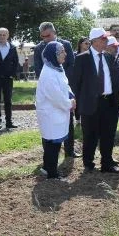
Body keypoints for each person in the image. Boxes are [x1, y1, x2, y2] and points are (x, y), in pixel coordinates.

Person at [70, 27, 119, 174]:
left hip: (109, 102)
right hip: (90, 104)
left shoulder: (108, 57)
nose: (107, 40)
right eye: (104, 38)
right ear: (94, 41)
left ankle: (107, 163)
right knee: (90, 135)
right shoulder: (82, 58)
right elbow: (75, 84)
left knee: (108, 134)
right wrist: (78, 105)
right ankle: (88, 163)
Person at [33, 22, 78, 157]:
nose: (45, 39)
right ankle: (49, 153)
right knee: (49, 127)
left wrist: (64, 83)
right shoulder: (39, 48)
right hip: (50, 89)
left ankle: (69, 150)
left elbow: (71, 65)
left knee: (68, 120)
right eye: (42, 36)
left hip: (65, 86)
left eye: (47, 35)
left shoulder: (66, 44)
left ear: (54, 32)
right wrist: (53, 83)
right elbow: (38, 68)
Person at [36, 41, 76, 179]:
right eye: (61, 52)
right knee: (53, 144)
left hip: (57, 112)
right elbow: (56, 97)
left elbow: (65, 85)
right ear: (54, 55)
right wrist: (70, 103)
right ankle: (52, 173)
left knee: (53, 143)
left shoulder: (57, 68)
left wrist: (71, 95)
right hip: (51, 113)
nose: (65, 54)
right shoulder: (48, 73)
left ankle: (47, 168)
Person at [0, 27, 20, 130]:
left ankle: (9, 122)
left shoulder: (12, 47)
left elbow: (15, 62)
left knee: (8, 100)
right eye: (0, 34)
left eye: (4, 35)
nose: (2, 36)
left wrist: (13, 74)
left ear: (8, 35)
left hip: (7, 78)